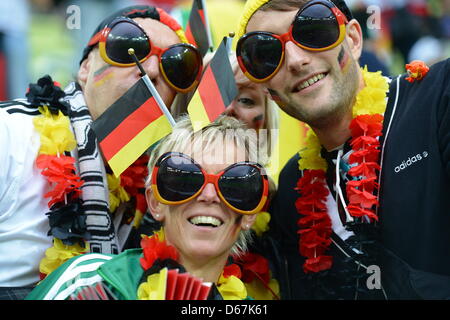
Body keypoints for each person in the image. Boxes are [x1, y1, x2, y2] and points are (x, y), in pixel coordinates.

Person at [235, 0, 450, 299]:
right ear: (268, 89)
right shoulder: (290, 189)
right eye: (267, 54)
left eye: (311, 30)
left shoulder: (439, 98)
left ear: (353, 39)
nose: (296, 60)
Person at [0, 5, 203, 300]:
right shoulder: (11, 131)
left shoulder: (158, 186)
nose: (150, 70)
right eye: (128, 46)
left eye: (175, 66)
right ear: (84, 68)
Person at [26, 115, 276, 300]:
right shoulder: (88, 283)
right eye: (185, 179)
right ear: (155, 202)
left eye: (234, 185)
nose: (209, 196)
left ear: (250, 213)